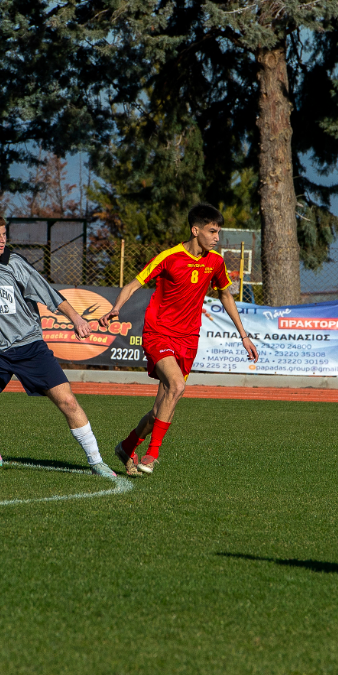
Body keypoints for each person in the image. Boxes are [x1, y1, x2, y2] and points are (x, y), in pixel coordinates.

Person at [0, 211, 116, 478]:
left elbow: (49, 294)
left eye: (4, 234)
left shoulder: (15, 264)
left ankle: (96, 460)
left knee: (67, 401)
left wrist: (77, 319)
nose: (2, 240)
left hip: (29, 346)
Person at [100, 203, 258, 476]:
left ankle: (127, 446)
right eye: (212, 231)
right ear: (195, 230)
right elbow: (133, 285)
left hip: (189, 339)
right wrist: (116, 308)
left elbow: (225, 296)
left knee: (162, 408)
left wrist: (244, 336)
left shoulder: (216, 262)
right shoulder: (169, 257)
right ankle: (152, 454)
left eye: (218, 232)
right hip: (158, 332)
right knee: (176, 385)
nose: (217, 237)